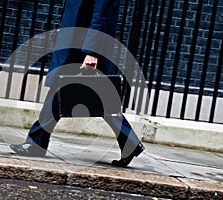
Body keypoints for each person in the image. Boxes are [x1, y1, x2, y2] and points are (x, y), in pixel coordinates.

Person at [10, 0, 145, 167]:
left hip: (83, 49)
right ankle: (37, 142)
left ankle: (36, 143)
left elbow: (99, 17)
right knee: (65, 92)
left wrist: (91, 53)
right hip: (74, 42)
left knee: (99, 99)